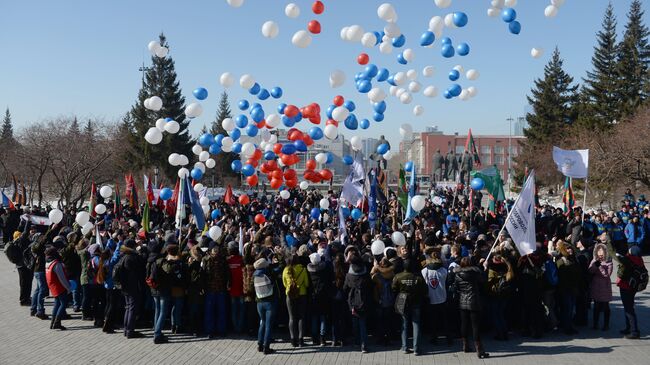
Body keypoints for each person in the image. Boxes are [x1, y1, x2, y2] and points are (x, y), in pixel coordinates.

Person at [607, 238, 647, 339]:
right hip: (633, 287)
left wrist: (608, 241)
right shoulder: (639, 261)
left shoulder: (628, 260)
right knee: (628, 307)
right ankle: (628, 327)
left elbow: (612, 254)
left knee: (629, 309)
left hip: (626, 287)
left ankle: (634, 331)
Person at [453, 257, 489, 359]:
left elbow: (456, 287)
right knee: (475, 326)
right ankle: (479, 350)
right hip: (474, 301)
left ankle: (465, 345)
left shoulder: (457, 274)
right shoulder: (475, 273)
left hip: (462, 301)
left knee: (464, 324)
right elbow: (484, 280)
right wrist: (485, 268)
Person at [392, 258, 426, 356]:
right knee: (416, 324)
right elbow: (424, 290)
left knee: (404, 324)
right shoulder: (418, 277)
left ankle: (405, 347)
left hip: (402, 300)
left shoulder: (398, 276)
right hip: (416, 301)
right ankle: (416, 348)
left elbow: (393, 289)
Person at [344, 252, 372, 353]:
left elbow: (345, 288)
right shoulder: (365, 273)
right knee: (362, 323)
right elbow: (370, 286)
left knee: (355, 322)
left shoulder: (349, 275)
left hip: (352, 301)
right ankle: (364, 344)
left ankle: (357, 341)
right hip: (363, 300)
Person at [117, 239, 145, 339]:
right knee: (132, 308)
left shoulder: (123, 256)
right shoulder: (132, 257)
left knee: (128, 307)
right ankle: (130, 330)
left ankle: (126, 329)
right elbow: (140, 266)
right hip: (132, 286)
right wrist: (140, 252)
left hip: (125, 286)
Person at [202, 242, 229, 338]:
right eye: (214, 248)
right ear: (210, 249)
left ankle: (221, 330)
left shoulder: (222, 259)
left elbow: (226, 273)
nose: (216, 250)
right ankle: (210, 330)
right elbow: (203, 274)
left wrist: (227, 283)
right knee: (209, 311)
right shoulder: (206, 260)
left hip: (221, 288)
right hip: (210, 289)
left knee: (221, 311)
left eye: (217, 248)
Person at [282, 253, 309, 347]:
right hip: (302, 294)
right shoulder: (303, 269)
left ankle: (293, 339)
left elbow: (284, 284)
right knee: (301, 317)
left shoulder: (286, 270)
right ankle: (301, 339)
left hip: (290, 295)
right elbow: (306, 283)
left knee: (292, 317)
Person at [556, 240, 581, 335]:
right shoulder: (561, 261)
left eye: (570, 248)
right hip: (565, 289)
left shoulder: (573, 259)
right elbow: (561, 276)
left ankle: (568, 326)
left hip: (573, 288)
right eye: (567, 248)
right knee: (567, 308)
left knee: (570, 309)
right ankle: (567, 327)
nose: (570, 250)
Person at [487, 254, 514, 341]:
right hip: (504, 293)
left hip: (495, 293)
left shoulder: (492, 269)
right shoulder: (507, 267)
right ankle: (505, 332)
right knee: (501, 314)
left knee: (496, 314)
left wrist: (485, 268)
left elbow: (489, 281)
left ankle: (500, 333)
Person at [307, 252, 332, 346]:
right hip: (323, 295)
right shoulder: (324, 269)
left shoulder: (309, 271)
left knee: (314, 317)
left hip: (313, 296)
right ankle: (322, 338)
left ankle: (314, 337)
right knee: (322, 317)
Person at [253, 257, 277, 355]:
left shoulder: (254, 275)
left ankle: (260, 344)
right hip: (269, 302)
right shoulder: (267, 274)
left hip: (259, 302)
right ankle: (266, 347)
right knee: (268, 325)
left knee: (262, 322)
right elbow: (273, 280)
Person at [45, 247, 72, 330]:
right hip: (59, 287)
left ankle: (53, 322)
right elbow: (62, 278)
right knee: (63, 303)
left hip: (53, 287)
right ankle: (57, 322)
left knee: (57, 304)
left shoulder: (47, 263)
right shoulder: (56, 264)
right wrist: (68, 288)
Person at [371, 257, 395, 346]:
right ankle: (388, 338)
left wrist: (375, 267)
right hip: (389, 301)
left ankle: (380, 338)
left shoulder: (377, 276)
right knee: (388, 320)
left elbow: (371, 275)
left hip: (379, 301)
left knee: (380, 321)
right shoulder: (392, 274)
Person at [588, 243, 613, 331]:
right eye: (599, 252)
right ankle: (595, 324)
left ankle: (606, 325)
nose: (600, 255)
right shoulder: (594, 260)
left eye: (602, 253)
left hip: (605, 286)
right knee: (596, 305)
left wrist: (600, 267)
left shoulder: (609, 261)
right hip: (596, 285)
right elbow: (590, 270)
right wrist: (595, 265)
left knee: (605, 306)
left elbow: (607, 275)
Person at [227, 241, 245, 334]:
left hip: (232, 289)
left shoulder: (228, 261)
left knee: (234, 309)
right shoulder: (241, 260)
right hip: (241, 288)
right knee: (241, 309)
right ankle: (240, 328)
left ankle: (235, 328)